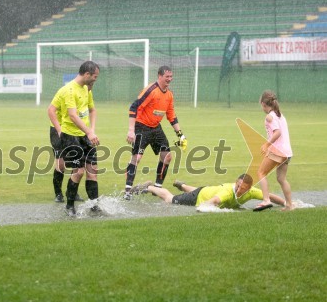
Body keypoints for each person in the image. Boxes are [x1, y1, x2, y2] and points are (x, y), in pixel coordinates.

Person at [123, 65, 187, 200]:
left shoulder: (169, 94)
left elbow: (171, 116)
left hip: (155, 128)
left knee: (167, 156)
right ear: (159, 76)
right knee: (137, 158)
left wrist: (180, 135)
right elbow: (134, 107)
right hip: (141, 127)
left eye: (171, 76)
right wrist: (131, 130)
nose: (169, 79)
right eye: (167, 77)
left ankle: (157, 188)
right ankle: (127, 190)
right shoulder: (151, 90)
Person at [54, 61, 100, 216]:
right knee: (79, 172)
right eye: (94, 76)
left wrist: (91, 130)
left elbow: (93, 110)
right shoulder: (69, 90)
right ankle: (69, 205)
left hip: (85, 135)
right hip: (70, 136)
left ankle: (94, 205)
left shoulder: (87, 89)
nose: (95, 79)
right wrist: (89, 132)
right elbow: (73, 115)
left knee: (92, 171)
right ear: (87, 74)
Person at [47, 82, 94, 203]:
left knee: (76, 164)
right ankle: (58, 193)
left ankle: (72, 192)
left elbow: (90, 110)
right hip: (59, 129)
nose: (90, 87)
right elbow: (51, 110)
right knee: (61, 164)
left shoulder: (86, 92)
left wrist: (89, 129)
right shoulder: (65, 91)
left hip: (75, 131)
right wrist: (59, 130)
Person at [135, 174, 285, 210]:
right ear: (236, 182)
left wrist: (286, 203)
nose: (239, 190)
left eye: (243, 188)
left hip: (206, 190)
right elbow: (211, 203)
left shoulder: (252, 192)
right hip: (198, 196)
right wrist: (203, 208)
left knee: (200, 189)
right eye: (238, 186)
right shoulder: (228, 192)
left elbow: (269, 197)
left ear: (249, 189)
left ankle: (182, 185)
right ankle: (147, 187)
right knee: (169, 198)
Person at [255, 90, 294, 211]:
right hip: (287, 153)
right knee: (281, 179)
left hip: (278, 151)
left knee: (261, 173)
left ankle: (266, 200)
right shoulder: (280, 115)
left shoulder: (269, 117)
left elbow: (277, 132)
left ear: (263, 104)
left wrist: (267, 145)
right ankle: (289, 205)